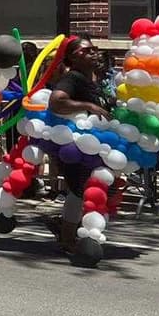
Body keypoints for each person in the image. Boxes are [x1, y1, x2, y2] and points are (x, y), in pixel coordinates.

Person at [46, 37, 110, 251]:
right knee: (79, 189)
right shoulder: (72, 78)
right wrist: (88, 105)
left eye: (95, 49)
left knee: (90, 190)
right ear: (73, 57)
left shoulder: (93, 77)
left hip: (95, 144)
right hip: (75, 146)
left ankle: (64, 226)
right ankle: (67, 237)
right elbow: (57, 101)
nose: (94, 53)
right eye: (87, 50)